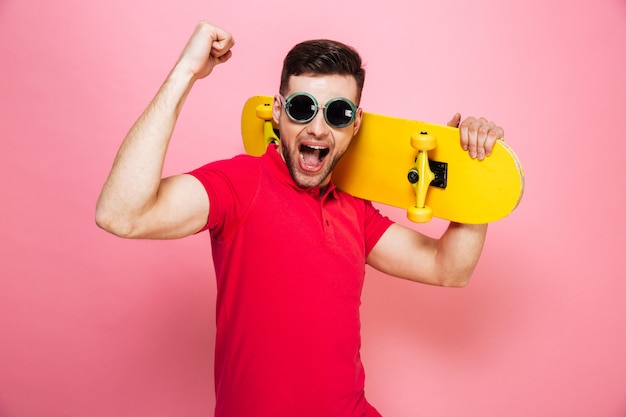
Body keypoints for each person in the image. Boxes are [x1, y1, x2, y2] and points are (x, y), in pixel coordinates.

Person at [96, 20, 504, 417]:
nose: (318, 128)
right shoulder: (240, 185)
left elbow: (449, 269)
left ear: (356, 123)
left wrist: (470, 177)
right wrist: (185, 72)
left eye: (339, 113)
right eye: (303, 107)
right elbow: (122, 214)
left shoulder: (354, 210)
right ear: (277, 112)